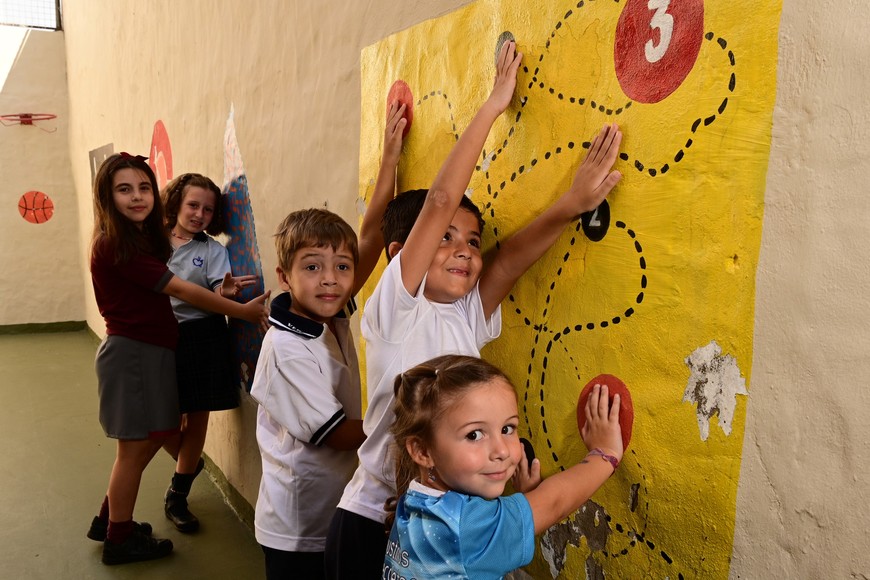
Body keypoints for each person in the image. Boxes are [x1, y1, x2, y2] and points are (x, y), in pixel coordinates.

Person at [326, 39, 623, 578]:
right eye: (446, 239)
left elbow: (508, 261)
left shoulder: (466, 315)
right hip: (372, 522)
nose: (463, 248)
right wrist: (494, 103)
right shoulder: (395, 311)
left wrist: (571, 205)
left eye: (472, 239)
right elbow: (440, 202)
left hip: (437, 517)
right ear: (403, 253)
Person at [86, 153, 269, 565]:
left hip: (148, 351)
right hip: (135, 352)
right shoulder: (118, 243)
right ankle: (118, 538)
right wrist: (243, 311)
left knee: (147, 440)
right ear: (107, 195)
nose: (137, 197)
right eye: (124, 189)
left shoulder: (134, 239)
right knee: (136, 449)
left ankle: (112, 522)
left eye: (143, 187)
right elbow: (182, 290)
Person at [250, 103, 407, 580]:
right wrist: (413, 428)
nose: (332, 280)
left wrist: (390, 160)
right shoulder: (286, 350)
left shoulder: (326, 310)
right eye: (312, 266)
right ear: (285, 276)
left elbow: (370, 232)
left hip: (333, 505)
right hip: (298, 526)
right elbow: (337, 433)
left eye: (341, 267)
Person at [383, 355, 623, 579]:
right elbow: (554, 503)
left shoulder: (414, 500)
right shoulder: (466, 528)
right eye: (474, 435)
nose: (502, 451)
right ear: (423, 451)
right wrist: (605, 454)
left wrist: (525, 499)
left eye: (508, 429)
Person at [159, 173, 259, 533]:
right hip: (160, 337)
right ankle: (189, 461)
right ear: (176, 204)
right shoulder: (153, 242)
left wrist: (226, 292)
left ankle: (178, 493)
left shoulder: (214, 251)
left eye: (208, 209)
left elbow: (221, 287)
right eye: (192, 205)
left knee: (196, 416)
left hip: (204, 336)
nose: (199, 214)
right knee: (161, 418)